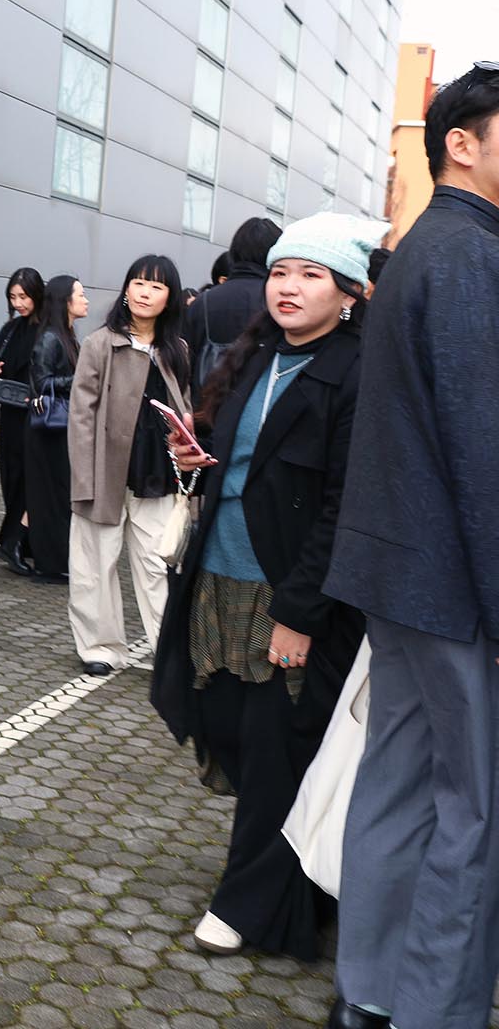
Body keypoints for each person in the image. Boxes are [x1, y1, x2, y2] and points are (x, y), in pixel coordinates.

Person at [325, 65, 499, 1029]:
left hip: (398, 574)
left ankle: (370, 992)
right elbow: (484, 448)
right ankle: (434, 1010)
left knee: (395, 784)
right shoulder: (471, 255)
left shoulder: (422, 250)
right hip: (455, 584)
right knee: (471, 809)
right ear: (460, 143)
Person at [150, 213, 374, 961]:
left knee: (278, 745)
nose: (288, 287)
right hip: (217, 574)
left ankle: (248, 903)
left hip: (288, 593)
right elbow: (238, 456)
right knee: (223, 727)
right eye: (281, 272)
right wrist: (195, 456)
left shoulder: (358, 371)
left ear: (348, 294)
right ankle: (296, 877)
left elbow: (349, 504)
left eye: (312, 275)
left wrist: (300, 613)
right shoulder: (257, 357)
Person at [67, 255, 193, 677]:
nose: (144, 292)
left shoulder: (177, 350)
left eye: (156, 286)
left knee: (158, 564)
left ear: (169, 298)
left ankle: (168, 651)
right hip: (104, 471)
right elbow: (81, 415)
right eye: (138, 282)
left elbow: (185, 410)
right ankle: (99, 648)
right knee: (95, 564)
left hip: (156, 472)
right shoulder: (100, 343)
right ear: (126, 289)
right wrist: (83, 477)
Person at [24, 275, 88, 583]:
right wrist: (82, 380)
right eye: (80, 294)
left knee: (60, 493)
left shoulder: (69, 335)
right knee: (50, 495)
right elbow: (42, 381)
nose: (86, 299)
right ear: (65, 301)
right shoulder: (51, 337)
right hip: (49, 428)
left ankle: (53, 558)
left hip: (63, 427)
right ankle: (48, 563)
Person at [185, 218, 282, 398]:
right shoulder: (281, 301)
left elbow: (183, 363)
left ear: (234, 252)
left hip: (205, 410)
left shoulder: (203, 301)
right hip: (260, 408)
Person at [0, 267, 44, 575]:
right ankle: (11, 536)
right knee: (11, 474)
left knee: (26, 475)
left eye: (23, 296)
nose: (18, 302)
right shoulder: (12, 328)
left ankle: (18, 539)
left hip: (34, 412)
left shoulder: (46, 329)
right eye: (13, 296)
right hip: (11, 408)